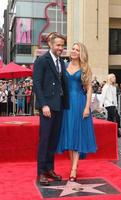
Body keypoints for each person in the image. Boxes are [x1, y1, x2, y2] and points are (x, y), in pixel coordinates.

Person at [56, 42, 97, 182]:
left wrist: (87, 107)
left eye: (77, 50)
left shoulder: (84, 68)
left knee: (77, 133)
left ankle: (73, 169)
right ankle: (74, 163)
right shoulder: (64, 66)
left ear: (81, 53)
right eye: (72, 49)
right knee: (68, 134)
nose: (73, 51)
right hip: (66, 104)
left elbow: (89, 89)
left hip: (79, 103)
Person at [33, 33, 69, 186]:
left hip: (59, 106)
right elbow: (37, 84)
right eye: (58, 45)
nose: (60, 48)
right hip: (47, 107)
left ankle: (49, 169)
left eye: (62, 45)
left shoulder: (61, 61)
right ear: (51, 45)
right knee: (45, 140)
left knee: (53, 140)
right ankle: (41, 173)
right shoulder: (42, 60)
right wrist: (43, 105)